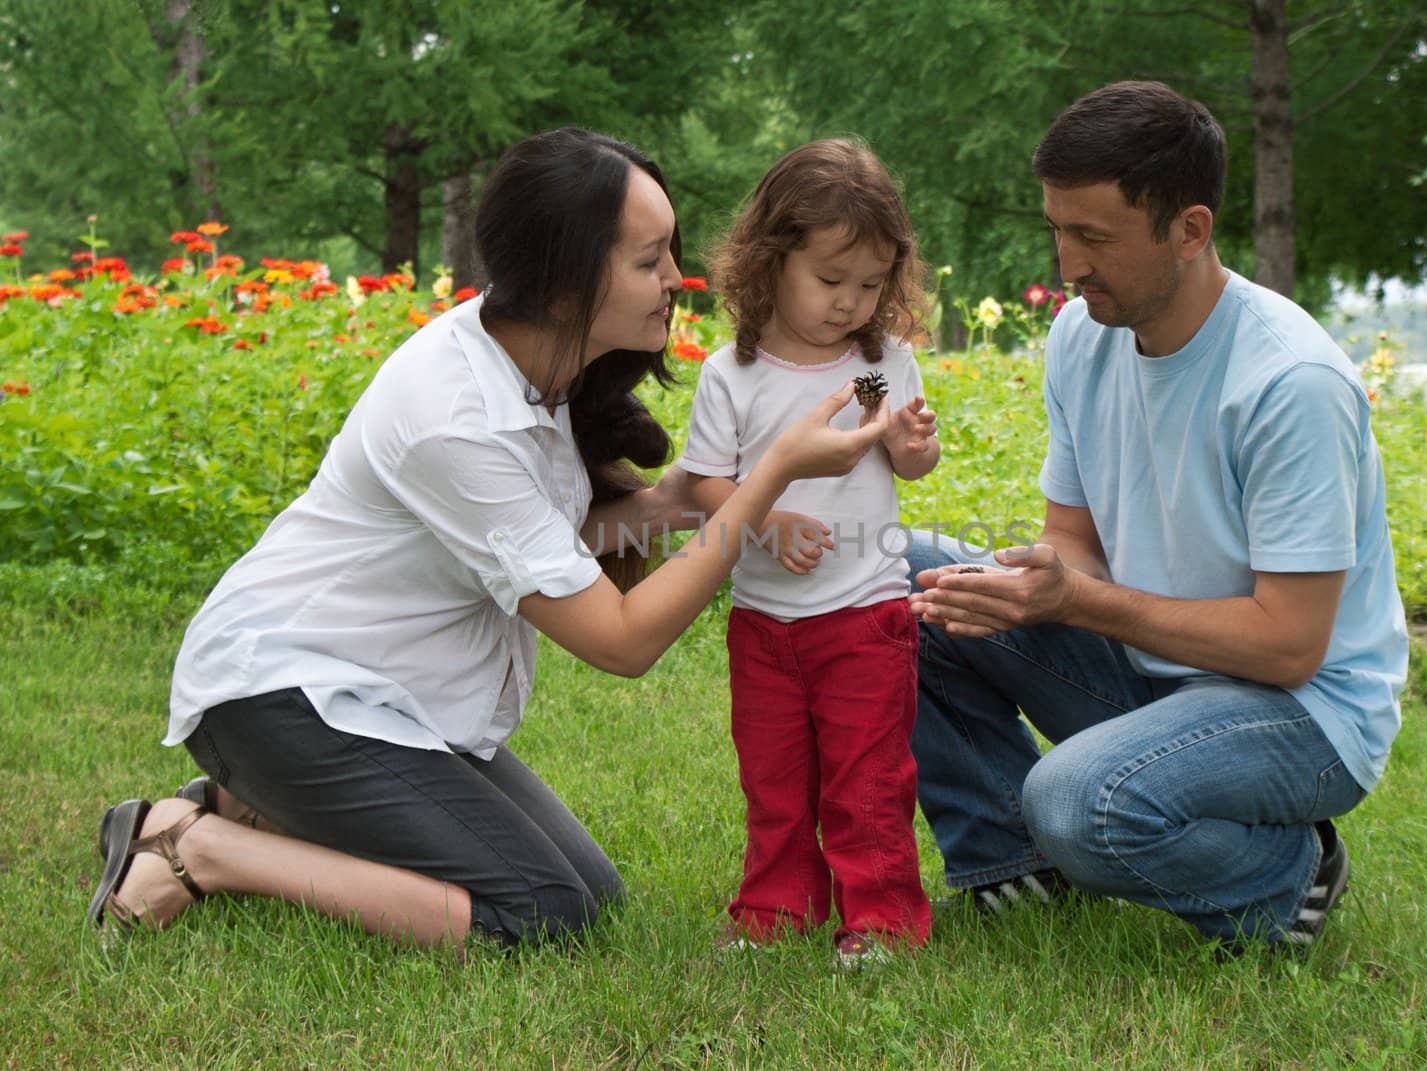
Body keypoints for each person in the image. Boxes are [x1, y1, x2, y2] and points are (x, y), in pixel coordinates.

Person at [86, 127, 890, 951]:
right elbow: (620, 641)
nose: (674, 281)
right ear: (566, 281)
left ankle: (247, 805)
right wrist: (769, 478)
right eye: (648, 261)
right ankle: (202, 846)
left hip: (379, 701)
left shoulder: (543, 363)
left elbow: (532, 540)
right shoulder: (454, 415)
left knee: (594, 895)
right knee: (541, 911)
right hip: (279, 694)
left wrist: (670, 503)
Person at [907, 81, 1408, 952]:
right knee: (906, 582)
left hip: (1301, 711)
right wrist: (1035, 585)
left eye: (1093, 236)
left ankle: (1287, 878)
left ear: (1190, 229)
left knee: (1074, 798)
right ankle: (1013, 872)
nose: (1067, 264)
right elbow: (1075, 544)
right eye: (1057, 230)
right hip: (1153, 669)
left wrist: (1074, 601)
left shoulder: (1290, 384)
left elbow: (1289, 644)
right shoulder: (1082, 334)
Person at [678, 139, 939, 964]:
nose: (849, 304)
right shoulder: (738, 373)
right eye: (831, 281)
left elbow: (896, 450)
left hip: (864, 615)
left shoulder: (873, 365)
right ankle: (775, 910)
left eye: (870, 285)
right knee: (776, 781)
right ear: (770, 260)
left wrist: (909, 440)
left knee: (867, 783)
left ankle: (882, 922)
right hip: (764, 623)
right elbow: (704, 487)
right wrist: (768, 521)